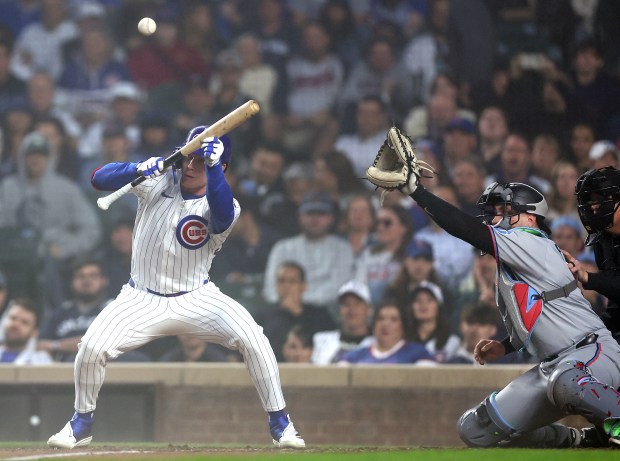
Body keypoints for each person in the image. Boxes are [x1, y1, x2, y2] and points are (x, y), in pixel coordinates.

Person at [46, 127, 305, 449]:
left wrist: (212, 166)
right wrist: (137, 168)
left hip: (196, 296)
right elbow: (99, 178)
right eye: (187, 157)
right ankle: (82, 423)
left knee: (254, 338)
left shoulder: (226, 203)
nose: (190, 166)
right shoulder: (158, 180)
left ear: (220, 165)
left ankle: (281, 423)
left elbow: (222, 216)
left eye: (200, 160)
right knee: (91, 348)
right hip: (141, 296)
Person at [368, 141, 620, 447]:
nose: (497, 217)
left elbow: (465, 229)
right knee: (476, 429)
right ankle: (579, 441)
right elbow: (534, 318)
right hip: (555, 366)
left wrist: (416, 192)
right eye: (496, 211)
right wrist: (504, 346)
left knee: (566, 382)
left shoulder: (532, 241)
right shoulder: (511, 265)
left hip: (593, 352)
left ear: (530, 218)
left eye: (506, 211)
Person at [263, 190, 354, 310]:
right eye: (309, 213)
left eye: (321, 213)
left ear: (331, 218)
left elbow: (338, 288)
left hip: (325, 312)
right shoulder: (282, 248)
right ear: (299, 216)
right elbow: (270, 288)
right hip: (284, 311)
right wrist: (290, 303)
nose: (315, 218)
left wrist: (299, 302)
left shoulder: (342, 248)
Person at [258, 261, 335, 362]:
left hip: (315, 373)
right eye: (282, 281)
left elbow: (333, 348)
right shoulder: (263, 318)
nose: (287, 286)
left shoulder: (320, 316)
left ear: (304, 286)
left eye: (292, 281)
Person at [339, 300, 434, 365]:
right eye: (381, 319)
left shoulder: (419, 354)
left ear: (403, 325)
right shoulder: (354, 357)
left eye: (394, 320)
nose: (386, 324)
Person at [312, 280, 374, 365]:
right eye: (346, 304)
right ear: (339, 309)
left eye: (357, 304)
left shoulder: (378, 344)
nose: (351, 309)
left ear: (368, 310)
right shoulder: (322, 341)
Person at [407, 282, 460, 363]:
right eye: (418, 300)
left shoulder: (451, 341)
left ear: (439, 306)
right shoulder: (403, 339)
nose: (423, 305)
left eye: (429, 300)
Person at [0, 298, 52, 364]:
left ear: (34, 332)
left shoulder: (41, 361)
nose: (16, 324)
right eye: (13, 318)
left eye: (24, 322)